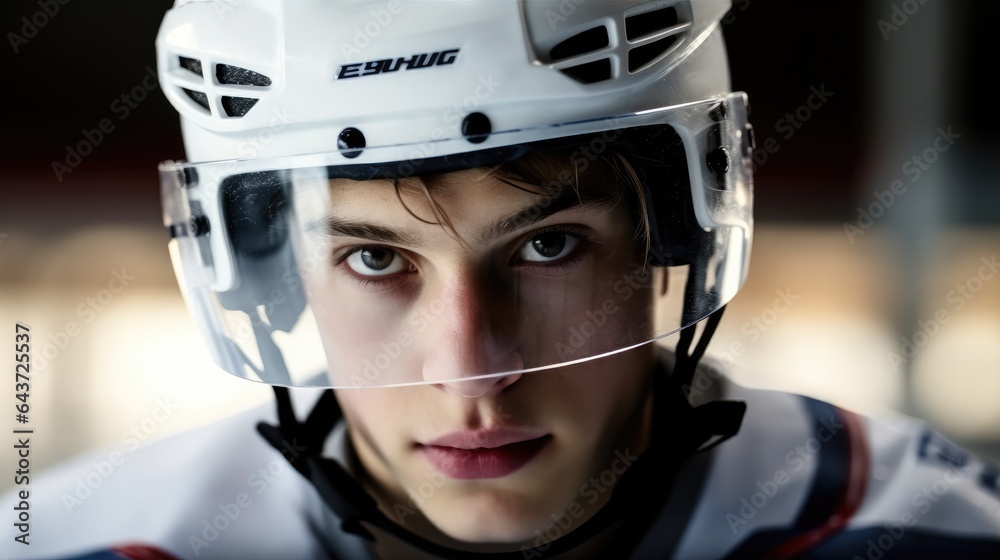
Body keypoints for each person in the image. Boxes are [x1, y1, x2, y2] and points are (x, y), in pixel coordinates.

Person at [5, 1, 1000, 559]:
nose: (472, 378)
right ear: (271, 275)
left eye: (549, 246)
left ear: (675, 239)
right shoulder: (73, 547)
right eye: (375, 258)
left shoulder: (922, 533)